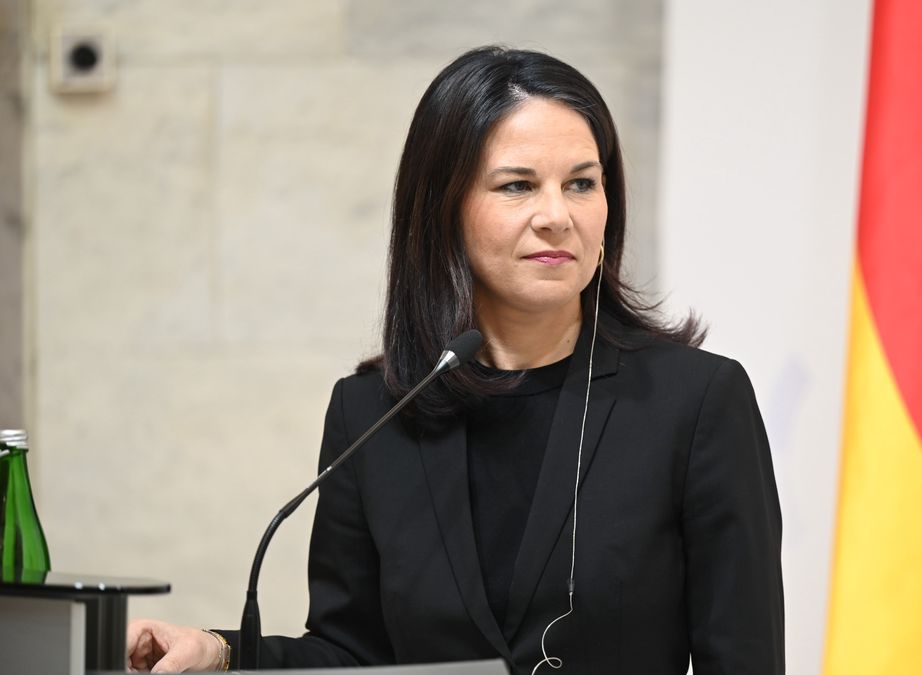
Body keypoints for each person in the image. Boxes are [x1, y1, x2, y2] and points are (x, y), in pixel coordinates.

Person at [127, 45, 784, 674]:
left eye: (582, 183)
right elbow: (353, 655)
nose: (557, 215)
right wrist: (221, 651)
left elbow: (744, 659)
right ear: (445, 209)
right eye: (517, 185)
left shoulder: (696, 403)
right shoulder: (373, 413)